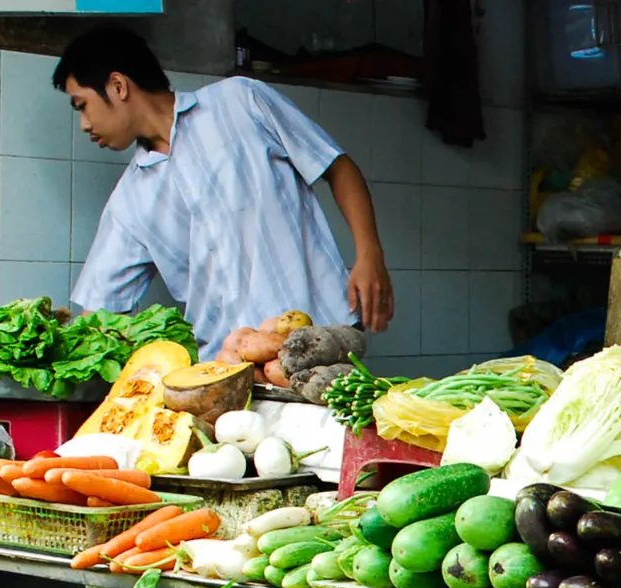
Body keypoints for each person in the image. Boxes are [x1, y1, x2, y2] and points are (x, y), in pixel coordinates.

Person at [54, 28, 393, 357]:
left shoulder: (241, 101)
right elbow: (100, 314)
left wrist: (370, 254)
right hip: (228, 368)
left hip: (320, 340)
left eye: (81, 105)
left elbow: (337, 167)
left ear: (117, 86)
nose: (84, 124)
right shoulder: (129, 202)